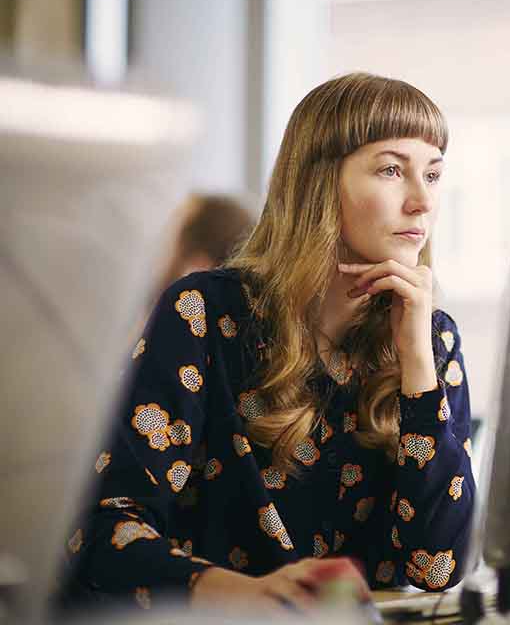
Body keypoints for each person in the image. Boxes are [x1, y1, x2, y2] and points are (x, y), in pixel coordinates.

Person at [58, 73, 476, 613]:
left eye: (434, 174)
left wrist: (417, 358)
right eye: (392, 170)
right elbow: (105, 533)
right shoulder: (204, 313)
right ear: (319, 184)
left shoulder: (430, 336)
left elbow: (436, 565)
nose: (422, 201)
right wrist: (249, 597)